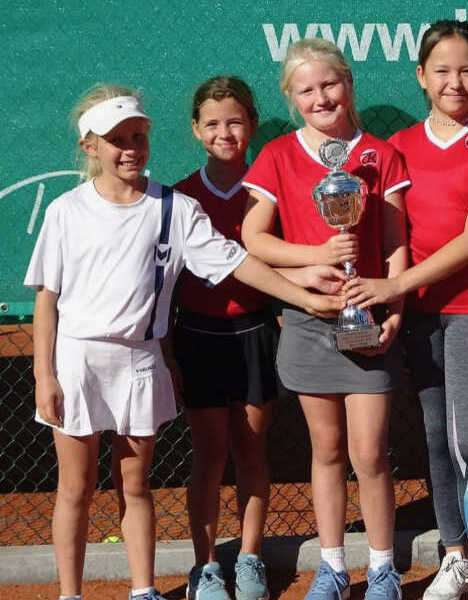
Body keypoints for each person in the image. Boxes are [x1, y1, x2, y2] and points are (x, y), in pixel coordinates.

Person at [25, 84, 341, 600]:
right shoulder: (66, 210)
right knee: (76, 488)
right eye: (117, 140)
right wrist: (45, 375)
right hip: (77, 361)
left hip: (139, 360)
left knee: (135, 484)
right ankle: (70, 594)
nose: (131, 149)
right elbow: (47, 299)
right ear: (90, 147)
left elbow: (237, 263)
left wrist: (305, 296)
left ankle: (144, 590)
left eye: (138, 137)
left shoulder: (175, 208)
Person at [343, 20, 468, 600]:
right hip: (417, 316)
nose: (454, 82)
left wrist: (394, 286)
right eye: (442, 70)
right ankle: (455, 556)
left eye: (467, 70)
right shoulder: (397, 146)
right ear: (421, 76)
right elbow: (387, 234)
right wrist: (391, 297)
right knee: (436, 438)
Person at [240, 39, 410, 600]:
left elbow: (395, 243)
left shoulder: (381, 155)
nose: (320, 97)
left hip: (369, 319)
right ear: (292, 98)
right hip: (308, 320)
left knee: (370, 452)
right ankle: (333, 567)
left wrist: (395, 307)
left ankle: (382, 568)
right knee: (328, 449)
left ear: (349, 84)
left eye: (329, 84)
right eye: (306, 90)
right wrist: (313, 259)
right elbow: (253, 238)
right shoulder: (277, 155)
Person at [168, 76, 346, 600]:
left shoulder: (267, 191)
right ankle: (205, 567)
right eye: (212, 123)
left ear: (252, 124)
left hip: (254, 333)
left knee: (250, 449)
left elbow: (276, 261)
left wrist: (300, 284)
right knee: (209, 453)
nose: (224, 133)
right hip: (197, 336)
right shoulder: (179, 197)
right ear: (195, 129)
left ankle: (249, 558)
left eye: (235, 122)